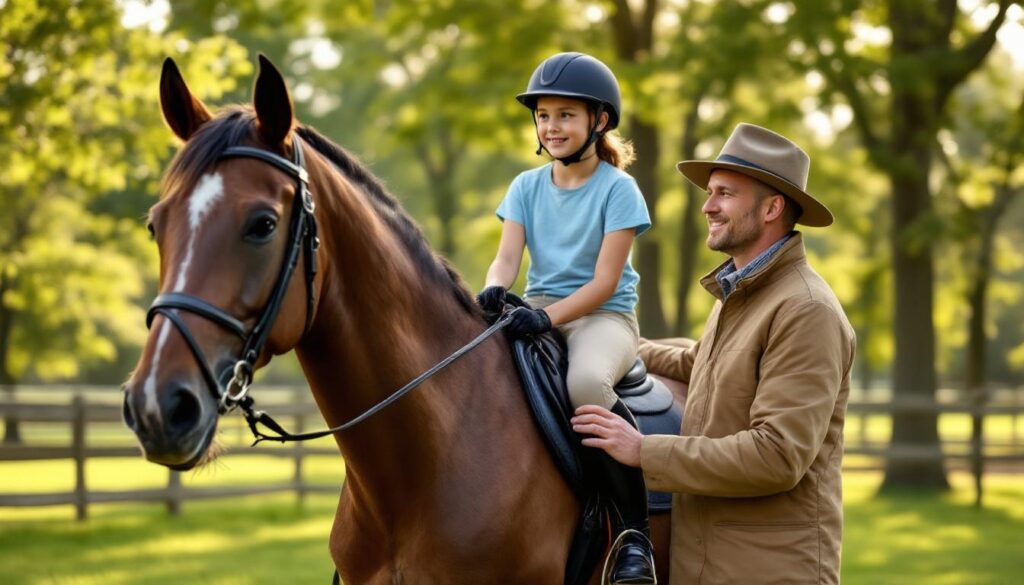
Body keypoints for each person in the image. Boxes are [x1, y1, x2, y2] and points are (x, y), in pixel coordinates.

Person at [571, 123, 856, 584]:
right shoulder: (742, 294)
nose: (708, 206)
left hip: (765, 572)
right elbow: (696, 363)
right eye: (710, 192)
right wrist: (595, 338)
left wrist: (643, 450)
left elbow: (778, 456)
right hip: (707, 567)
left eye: (725, 193)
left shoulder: (805, 310)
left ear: (771, 208)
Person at [476, 52, 656, 584]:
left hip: (604, 318)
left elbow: (604, 281)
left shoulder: (619, 190)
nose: (551, 126)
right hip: (536, 310)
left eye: (565, 115)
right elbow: (507, 258)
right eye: (544, 115)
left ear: (598, 121)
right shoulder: (525, 187)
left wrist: (546, 319)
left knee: (583, 382)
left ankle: (633, 533)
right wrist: (493, 289)